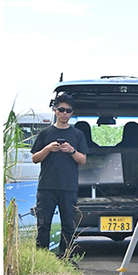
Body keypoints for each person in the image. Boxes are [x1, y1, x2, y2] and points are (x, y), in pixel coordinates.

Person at [30, 93, 89, 259]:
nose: (64, 113)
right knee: (43, 224)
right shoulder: (45, 133)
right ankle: (42, 258)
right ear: (55, 110)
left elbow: (82, 159)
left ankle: (66, 257)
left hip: (68, 186)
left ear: (72, 113)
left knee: (68, 225)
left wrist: (71, 150)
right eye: (61, 109)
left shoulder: (77, 135)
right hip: (46, 186)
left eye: (68, 111)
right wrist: (48, 148)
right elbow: (35, 158)